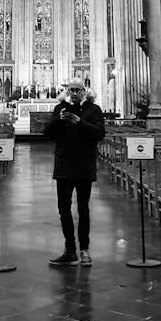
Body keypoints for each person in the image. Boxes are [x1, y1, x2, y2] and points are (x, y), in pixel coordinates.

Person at [42, 77, 105, 267]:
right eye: (72, 90)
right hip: (64, 164)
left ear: (84, 91)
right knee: (63, 208)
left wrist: (80, 123)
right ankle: (70, 249)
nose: (75, 93)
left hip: (84, 164)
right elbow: (47, 133)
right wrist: (60, 121)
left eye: (78, 90)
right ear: (67, 92)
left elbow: (100, 133)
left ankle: (84, 250)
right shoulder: (59, 109)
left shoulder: (94, 110)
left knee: (83, 208)